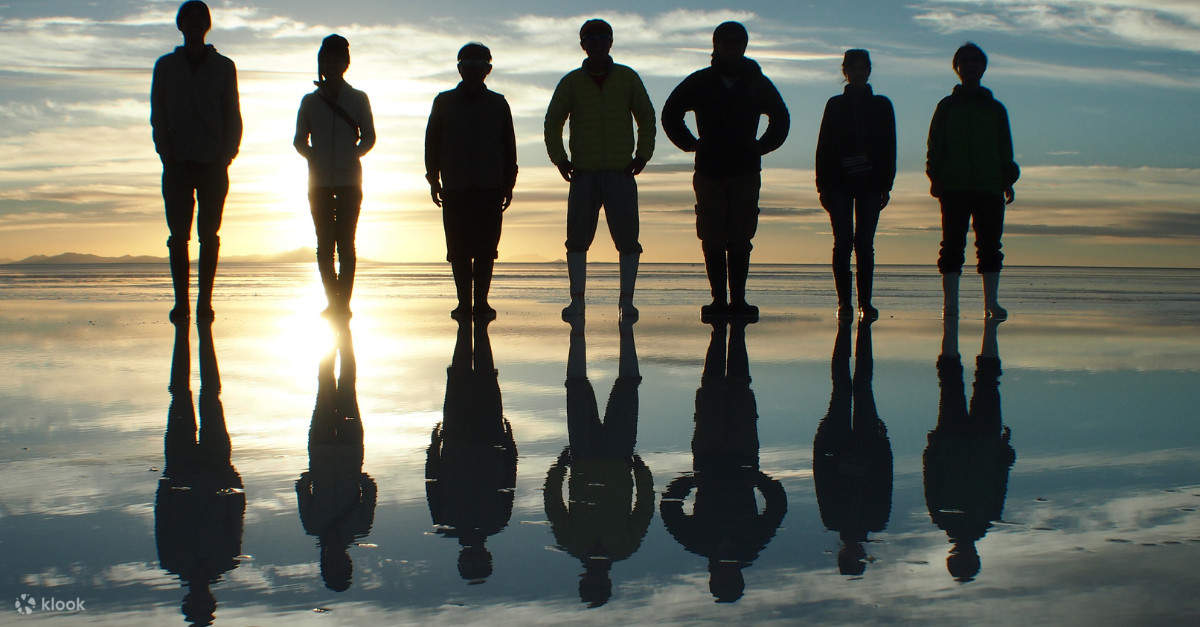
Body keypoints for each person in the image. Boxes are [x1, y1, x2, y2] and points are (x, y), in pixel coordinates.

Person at [662, 21, 789, 322]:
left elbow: (781, 119)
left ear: (744, 46)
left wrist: (761, 147)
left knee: (741, 237)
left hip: (745, 170)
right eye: (727, 42)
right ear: (716, 45)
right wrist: (690, 144)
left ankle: (739, 301)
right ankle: (719, 300)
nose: (732, 47)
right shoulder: (702, 81)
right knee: (713, 236)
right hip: (710, 170)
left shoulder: (757, 82)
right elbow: (671, 113)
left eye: (737, 43)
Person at [660, 320, 787, 602]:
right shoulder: (751, 544)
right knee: (739, 387)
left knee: (712, 387)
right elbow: (777, 505)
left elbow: (669, 508)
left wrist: (692, 480)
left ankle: (718, 331)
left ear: (713, 577)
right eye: (730, 579)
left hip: (708, 454)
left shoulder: (698, 543)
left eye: (722, 580)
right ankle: (736, 329)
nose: (726, 574)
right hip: (742, 454)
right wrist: (757, 478)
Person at [545, 19, 656, 323]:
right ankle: (577, 303)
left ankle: (627, 303)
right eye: (590, 38)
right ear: (583, 44)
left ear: (610, 42)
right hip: (583, 173)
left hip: (621, 171)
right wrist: (560, 158)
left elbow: (646, 117)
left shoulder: (627, 78)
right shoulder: (572, 82)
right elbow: (553, 121)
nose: (596, 42)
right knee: (577, 239)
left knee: (628, 239)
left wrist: (643, 154)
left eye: (602, 37)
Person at [544, 320, 653, 607]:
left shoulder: (572, 544)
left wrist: (559, 467)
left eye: (590, 583)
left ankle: (576, 326)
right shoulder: (625, 547)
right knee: (627, 387)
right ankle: (626, 326)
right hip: (619, 455)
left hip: (584, 454)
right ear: (607, 581)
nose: (595, 578)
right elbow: (644, 509)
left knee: (577, 386)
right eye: (599, 584)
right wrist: (642, 473)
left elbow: (554, 504)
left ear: (583, 579)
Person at [151, 0, 241, 323]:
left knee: (209, 235)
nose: (193, 26)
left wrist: (227, 154)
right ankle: (182, 303)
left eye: (199, 20)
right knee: (178, 236)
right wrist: (166, 152)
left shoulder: (224, 67)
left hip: (213, 163)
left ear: (206, 26)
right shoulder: (165, 67)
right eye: (188, 20)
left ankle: (205, 302)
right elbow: (157, 115)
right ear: (181, 25)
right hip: (176, 164)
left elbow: (233, 114)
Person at [425, 43, 518, 321]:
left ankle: (482, 303)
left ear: (487, 70)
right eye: (468, 65)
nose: (474, 71)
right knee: (458, 250)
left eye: (479, 66)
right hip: (455, 187)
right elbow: (432, 143)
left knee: (487, 250)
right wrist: (433, 178)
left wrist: (508, 183)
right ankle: (464, 302)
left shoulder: (498, 103)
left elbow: (509, 146)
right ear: (460, 69)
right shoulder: (443, 102)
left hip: (490, 187)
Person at [927, 42, 1019, 320]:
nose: (970, 66)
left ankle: (991, 302)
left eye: (975, 62)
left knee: (990, 246)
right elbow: (934, 146)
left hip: (989, 186)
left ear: (983, 67)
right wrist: (935, 176)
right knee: (952, 246)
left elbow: (1005, 148)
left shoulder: (995, 109)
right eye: (965, 62)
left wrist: (1007, 179)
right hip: (953, 186)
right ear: (957, 68)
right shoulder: (946, 107)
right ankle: (950, 304)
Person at [425, 319, 517, 583]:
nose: (476, 556)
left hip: (458, 439)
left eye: (471, 562)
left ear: (462, 559)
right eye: (480, 561)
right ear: (487, 557)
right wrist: (510, 446)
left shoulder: (446, 522)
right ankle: (477, 325)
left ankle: (467, 324)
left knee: (461, 375)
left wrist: (434, 448)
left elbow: (433, 482)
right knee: (482, 374)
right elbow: (508, 480)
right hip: (486, 438)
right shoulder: (497, 521)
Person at [924, 316, 1015, 582]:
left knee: (978, 383)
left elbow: (931, 478)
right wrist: (931, 449)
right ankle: (965, 334)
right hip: (968, 442)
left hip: (969, 442)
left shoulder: (983, 517)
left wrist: (1004, 454)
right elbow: (931, 478)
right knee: (960, 384)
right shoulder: (949, 518)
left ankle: (962, 334)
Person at [294, 35, 376, 319]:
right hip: (318, 183)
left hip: (350, 182)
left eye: (337, 58)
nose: (331, 63)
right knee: (325, 245)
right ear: (321, 62)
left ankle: (345, 303)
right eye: (326, 58)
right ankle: (333, 301)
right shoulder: (309, 102)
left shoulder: (357, 99)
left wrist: (352, 154)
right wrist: (313, 155)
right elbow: (298, 141)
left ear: (346, 63)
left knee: (346, 244)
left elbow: (369, 137)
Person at [296, 323, 377, 592]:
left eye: (331, 566)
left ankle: (335, 332)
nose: (334, 560)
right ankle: (342, 333)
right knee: (344, 386)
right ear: (347, 563)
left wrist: (312, 476)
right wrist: (356, 476)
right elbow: (371, 489)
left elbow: (301, 489)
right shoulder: (358, 526)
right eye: (340, 565)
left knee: (329, 387)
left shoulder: (316, 526)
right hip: (345, 449)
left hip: (327, 449)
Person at [815, 49, 895, 321]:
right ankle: (844, 303)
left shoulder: (882, 105)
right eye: (853, 68)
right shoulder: (835, 105)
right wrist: (821, 186)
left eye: (863, 68)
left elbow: (889, 146)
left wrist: (887, 183)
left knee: (864, 243)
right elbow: (823, 146)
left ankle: (865, 303)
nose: (859, 73)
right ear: (845, 71)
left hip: (871, 183)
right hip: (838, 182)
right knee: (843, 242)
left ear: (869, 71)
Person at [812, 320, 892, 576]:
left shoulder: (833, 520)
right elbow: (884, 477)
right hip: (867, 446)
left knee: (844, 388)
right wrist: (882, 443)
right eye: (856, 559)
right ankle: (859, 331)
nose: (854, 553)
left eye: (848, 558)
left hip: (836, 445)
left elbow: (821, 477)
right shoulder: (876, 520)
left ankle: (846, 330)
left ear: (841, 555)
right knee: (861, 386)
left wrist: (822, 441)